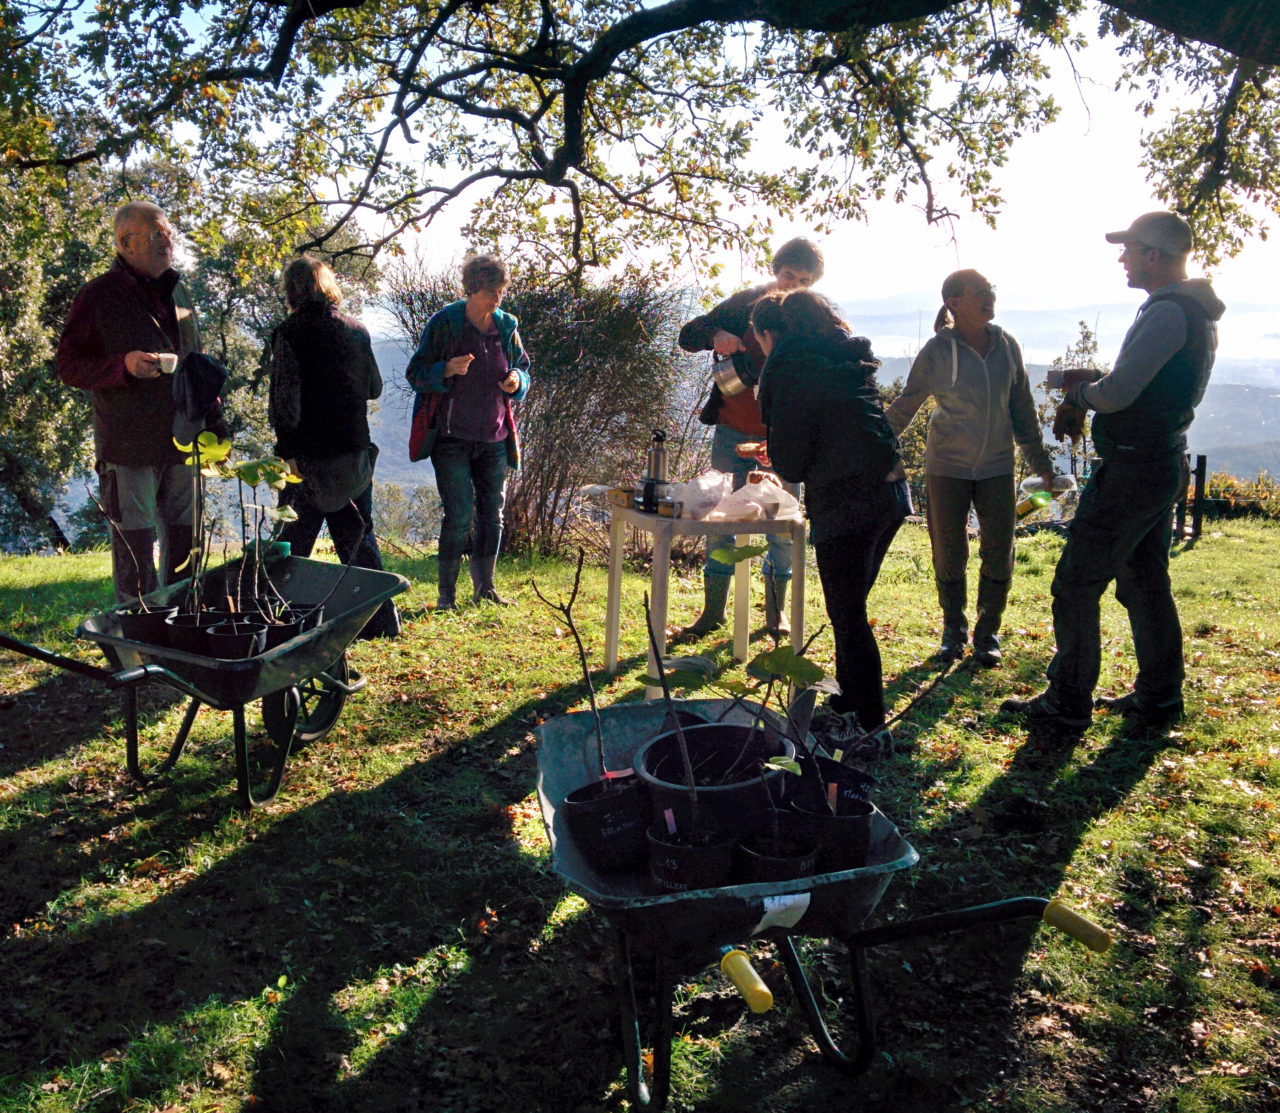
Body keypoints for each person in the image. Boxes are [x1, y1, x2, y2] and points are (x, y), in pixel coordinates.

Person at [1002, 211, 1225, 730]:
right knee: (1145, 582)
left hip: (1133, 470)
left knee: (1077, 583)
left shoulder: (1169, 312)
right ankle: (1159, 697)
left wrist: (1079, 393)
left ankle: (1068, 700)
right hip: (1161, 461)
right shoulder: (1191, 311)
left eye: (1128, 249)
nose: (1121, 258)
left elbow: (1120, 393)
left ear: (1154, 255)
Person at [754, 289, 912, 757]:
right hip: (889, 495)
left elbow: (794, 463)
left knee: (848, 617)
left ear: (770, 334)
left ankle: (870, 727)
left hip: (847, 500)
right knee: (850, 610)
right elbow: (843, 424)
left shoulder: (787, 364)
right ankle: (847, 710)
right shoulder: (842, 357)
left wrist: (778, 448)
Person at [885, 270, 1056, 667]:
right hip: (947, 467)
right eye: (980, 293)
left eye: (991, 291)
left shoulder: (1007, 346)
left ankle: (987, 634)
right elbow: (906, 406)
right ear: (954, 303)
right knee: (949, 552)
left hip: (997, 466)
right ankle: (953, 632)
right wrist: (870, 449)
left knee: (1000, 551)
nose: (989, 298)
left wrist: (1042, 465)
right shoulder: (938, 351)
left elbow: (1023, 410)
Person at [56, 201, 224, 603]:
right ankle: (137, 644)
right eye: (156, 234)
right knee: (135, 549)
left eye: (168, 232)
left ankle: (183, 628)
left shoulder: (179, 290)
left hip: (185, 441)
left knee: (187, 544)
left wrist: (215, 423)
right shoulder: (98, 295)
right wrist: (123, 366)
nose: (168, 240)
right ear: (125, 243)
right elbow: (69, 365)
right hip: (129, 445)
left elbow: (195, 363)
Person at [676, 237, 824, 639]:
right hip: (731, 431)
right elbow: (689, 334)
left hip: (781, 439)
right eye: (788, 275)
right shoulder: (747, 302)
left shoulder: (810, 317)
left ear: (810, 285)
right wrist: (718, 334)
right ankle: (712, 613)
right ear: (776, 270)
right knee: (719, 519)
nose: (791, 285)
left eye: (802, 280)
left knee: (780, 524)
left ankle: (775, 616)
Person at [267, 256, 400, 639]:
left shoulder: (289, 334)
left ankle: (284, 621)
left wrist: (288, 452)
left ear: (291, 292)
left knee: (294, 543)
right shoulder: (357, 330)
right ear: (328, 286)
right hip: (353, 450)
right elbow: (373, 387)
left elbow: (283, 403)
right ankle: (381, 622)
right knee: (357, 538)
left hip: (305, 455)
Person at [405, 254, 531, 609]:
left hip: (494, 438)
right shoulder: (445, 323)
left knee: (493, 514)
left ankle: (485, 590)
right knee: (459, 514)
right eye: (491, 291)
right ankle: (447, 596)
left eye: (501, 291)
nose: (497, 299)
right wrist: (445, 369)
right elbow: (415, 372)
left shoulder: (507, 326)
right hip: (451, 439)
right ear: (472, 288)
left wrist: (516, 381)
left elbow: (524, 370)